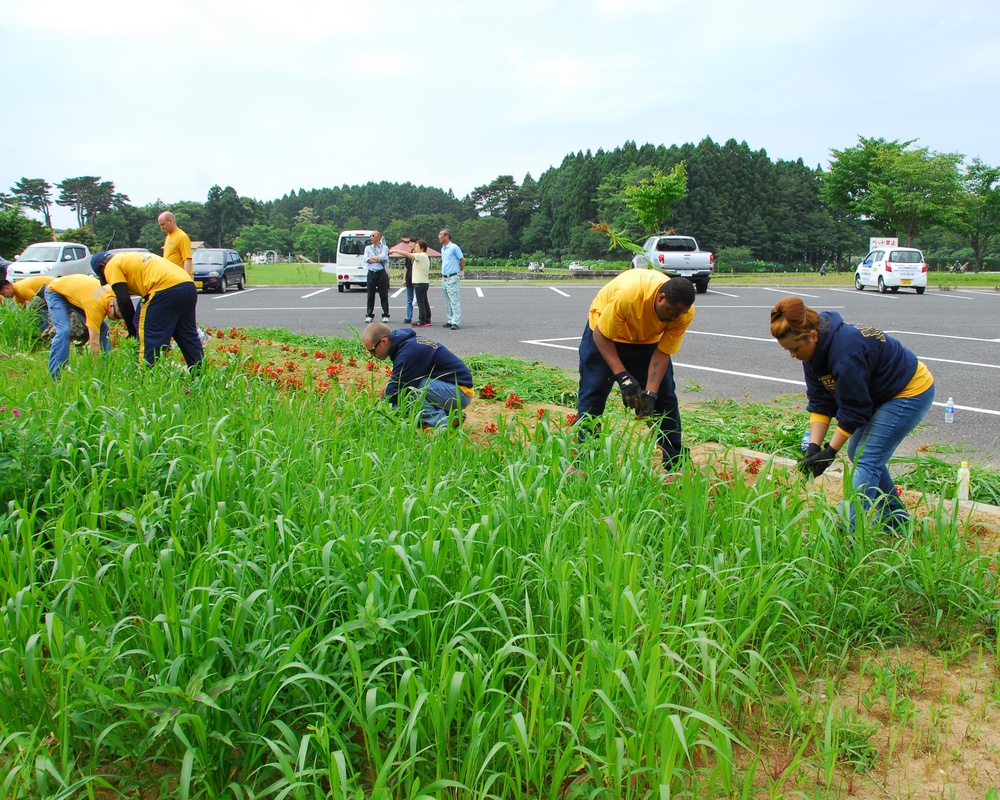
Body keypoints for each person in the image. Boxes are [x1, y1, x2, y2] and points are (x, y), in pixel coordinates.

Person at [769, 296, 935, 532]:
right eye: (788, 350)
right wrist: (815, 447)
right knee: (858, 452)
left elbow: (855, 409)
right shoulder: (812, 354)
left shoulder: (846, 353)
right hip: (878, 394)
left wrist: (831, 451)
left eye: (795, 348)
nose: (793, 355)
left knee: (866, 458)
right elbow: (820, 401)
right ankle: (895, 519)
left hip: (908, 391)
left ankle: (843, 531)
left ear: (813, 336)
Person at [577, 270, 696, 472]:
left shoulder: (683, 314)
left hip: (647, 341)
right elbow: (602, 336)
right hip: (605, 336)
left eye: (680, 314)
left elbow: (662, 352)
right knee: (593, 393)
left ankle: (675, 462)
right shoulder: (629, 296)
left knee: (664, 398)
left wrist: (650, 393)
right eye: (672, 311)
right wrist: (623, 378)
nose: (674, 317)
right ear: (661, 297)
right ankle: (585, 459)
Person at [91, 250, 203, 370]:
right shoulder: (128, 257)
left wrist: (132, 330)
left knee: (149, 339)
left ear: (102, 267)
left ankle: (146, 380)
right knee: (187, 335)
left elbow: (123, 300)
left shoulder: (111, 266)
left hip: (163, 289)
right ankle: (200, 377)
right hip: (187, 286)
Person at [362, 321, 473, 427]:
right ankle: (451, 416)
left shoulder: (408, 353)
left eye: (372, 350)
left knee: (410, 388)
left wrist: (378, 409)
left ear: (384, 341)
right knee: (404, 397)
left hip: (460, 392)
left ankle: (441, 421)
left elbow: (397, 387)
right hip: (453, 388)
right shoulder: (406, 344)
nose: (371, 355)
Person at [43, 274, 116, 379]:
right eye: (114, 316)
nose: (115, 320)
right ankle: (56, 375)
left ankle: (108, 365)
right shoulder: (94, 306)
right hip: (56, 292)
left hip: (75, 293)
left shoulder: (110, 293)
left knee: (103, 328)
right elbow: (94, 343)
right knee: (64, 330)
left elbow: (93, 294)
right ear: (111, 305)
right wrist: (96, 370)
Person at [390, 239, 432, 327]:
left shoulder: (421, 255)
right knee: (424, 302)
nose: (415, 248)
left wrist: (395, 250)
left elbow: (408, 254)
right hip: (423, 282)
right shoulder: (423, 256)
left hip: (420, 282)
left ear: (422, 248)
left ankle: (422, 320)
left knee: (421, 302)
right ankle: (427, 319)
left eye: (417, 246)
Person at [438, 228, 464, 330]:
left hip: (452, 276)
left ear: (447, 236)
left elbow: (462, 259)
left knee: (454, 300)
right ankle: (450, 319)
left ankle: (456, 321)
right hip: (444, 277)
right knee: (447, 300)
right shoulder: (443, 248)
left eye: (441, 235)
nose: (439, 237)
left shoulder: (454, 247)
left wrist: (461, 271)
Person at [363, 230, 390, 323]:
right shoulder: (368, 248)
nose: (371, 237)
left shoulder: (385, 247)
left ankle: (385, 314)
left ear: (379, 237)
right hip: (371, 272)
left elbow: (384, 258)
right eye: (370, 236)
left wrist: (374, 258)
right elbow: (366, 259)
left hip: (381, 272)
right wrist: (377, 258)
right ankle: (369, 315)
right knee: (370, 294)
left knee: (384, 294)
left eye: (373, 236)